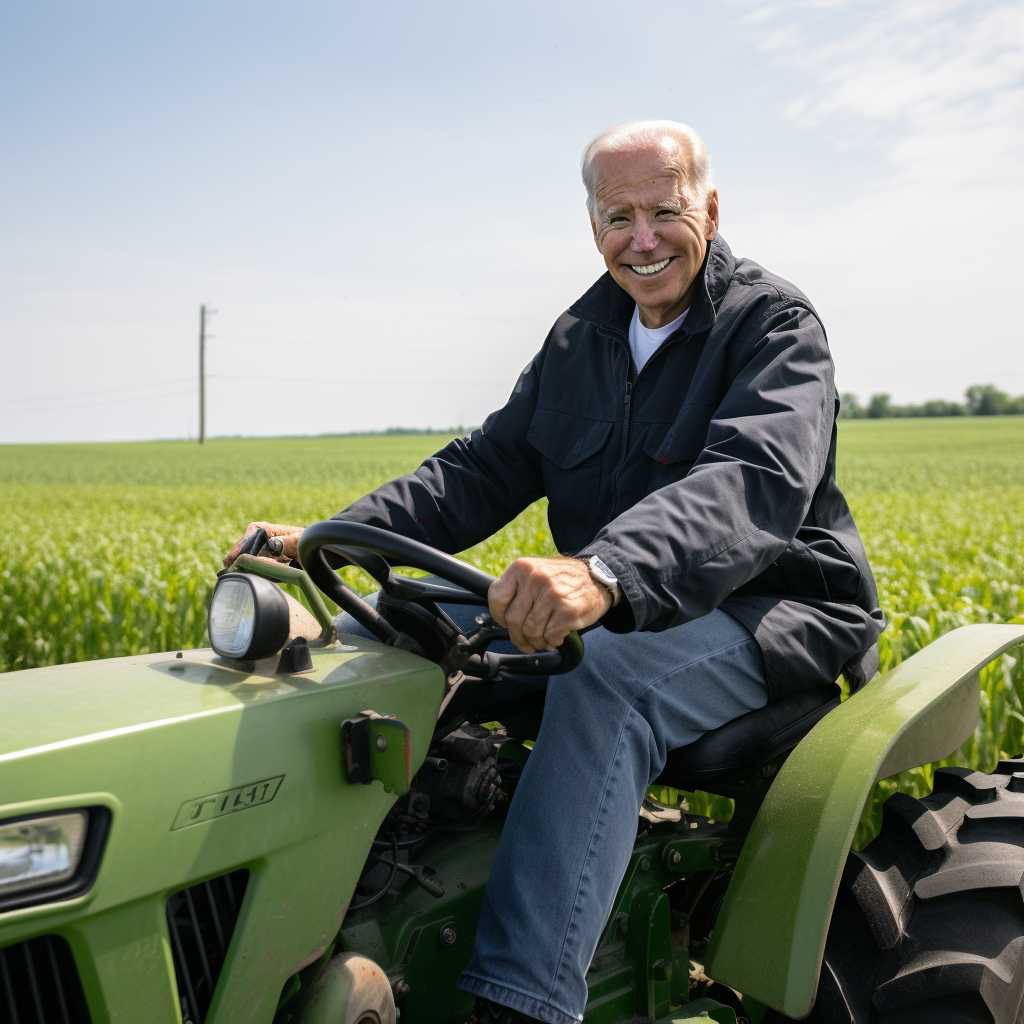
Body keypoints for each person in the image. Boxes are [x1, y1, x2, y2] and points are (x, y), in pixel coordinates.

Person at [225, 119, 884, 1024]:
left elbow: (750, 482)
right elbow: (482, 468)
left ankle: (522, 1000)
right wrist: (331, 536)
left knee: (604, 680)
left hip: (772, 609)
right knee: (380, 628)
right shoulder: (582, 336)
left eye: (665, 210)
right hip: (616, 594)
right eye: (621, 217)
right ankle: (291, 937)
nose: (642, 239)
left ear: (712, 209)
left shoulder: (774, 327)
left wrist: (605, 570)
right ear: (594, 228)